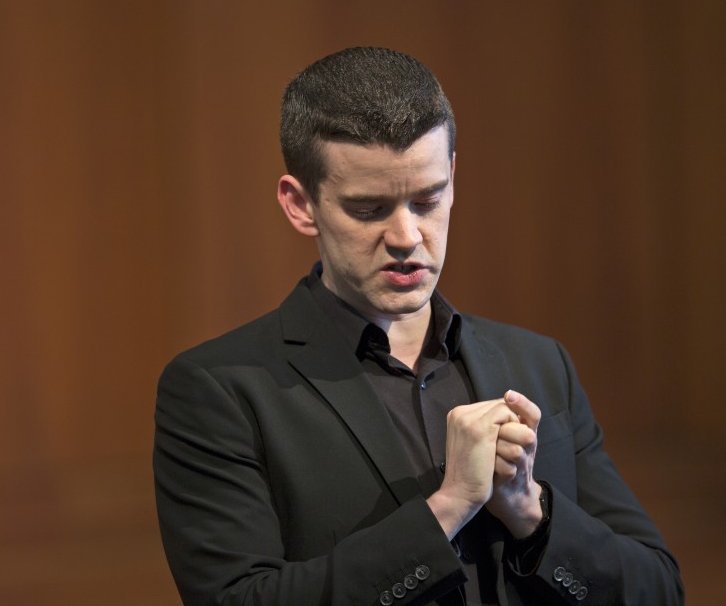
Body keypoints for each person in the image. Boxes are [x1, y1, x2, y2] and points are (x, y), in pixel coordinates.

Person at [154, 47, 683, 606]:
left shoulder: (539, 362)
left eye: (427, 200)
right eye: (368, 209)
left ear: (452, 179)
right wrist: (448, 507)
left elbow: (658, 589)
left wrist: (532, 511)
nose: (407, 236)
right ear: (300, 204)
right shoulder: (219, 389)